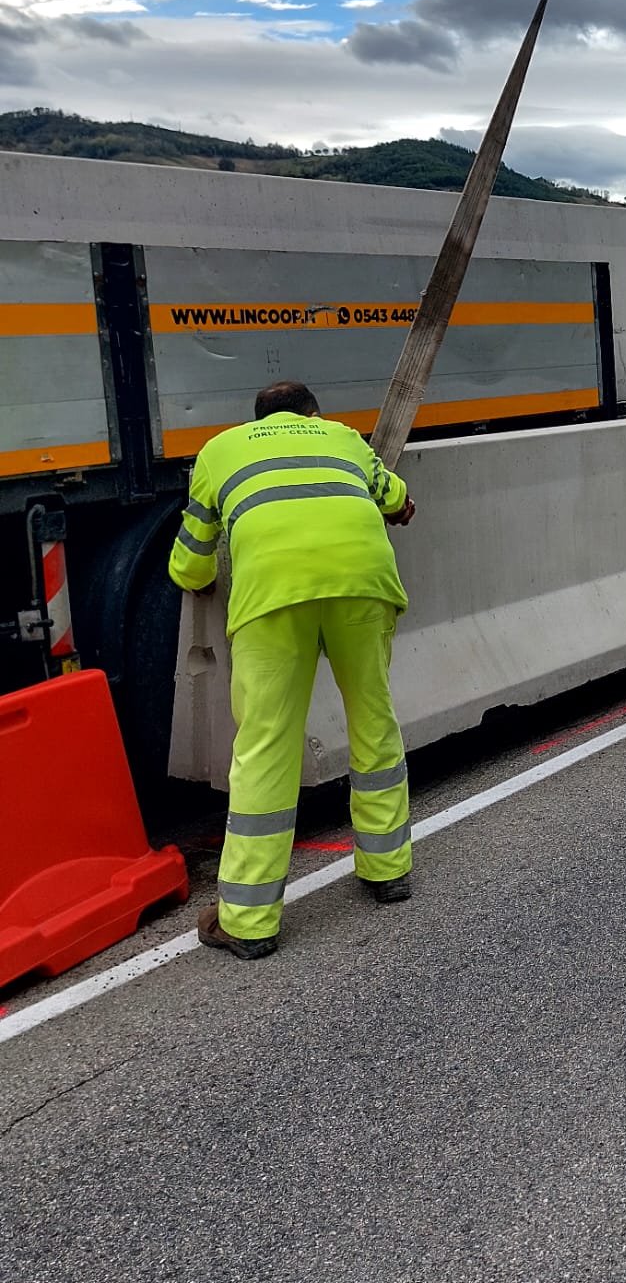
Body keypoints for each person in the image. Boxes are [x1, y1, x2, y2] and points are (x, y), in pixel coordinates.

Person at [168, 380, 418, 959]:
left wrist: (200, 574)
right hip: (363, 585)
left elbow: (190, 562)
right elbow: (396, 498)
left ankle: (250, 921)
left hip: (272, 598)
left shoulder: (219, 451)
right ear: (312, 415)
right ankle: (388, 872)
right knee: (373, 721)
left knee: (265, 746)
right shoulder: (344, 439)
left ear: (255, 419)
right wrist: (397, 506)